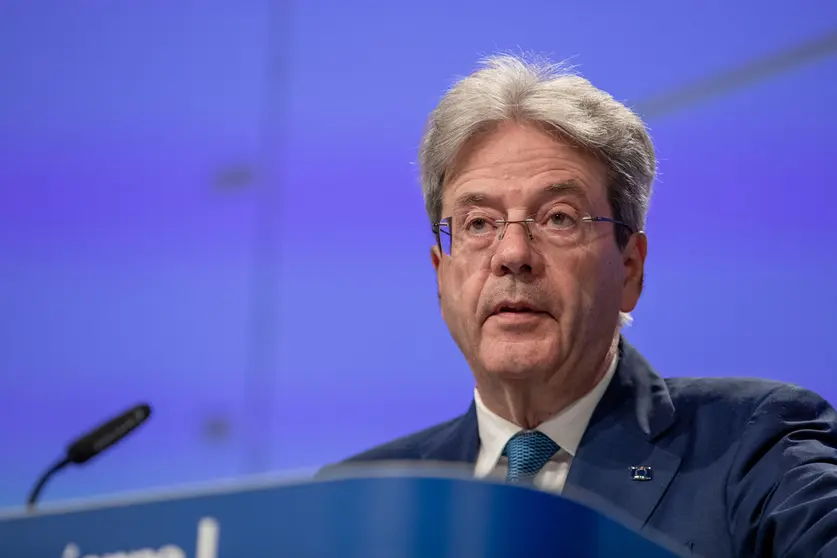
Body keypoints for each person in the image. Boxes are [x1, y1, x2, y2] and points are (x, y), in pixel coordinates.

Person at [324, 54, 837, 557]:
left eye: (559, 218)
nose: (513, 255)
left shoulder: (755, 449)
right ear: (441, 275)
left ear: (630, 269)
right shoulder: (351, 504)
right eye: (478, 223)